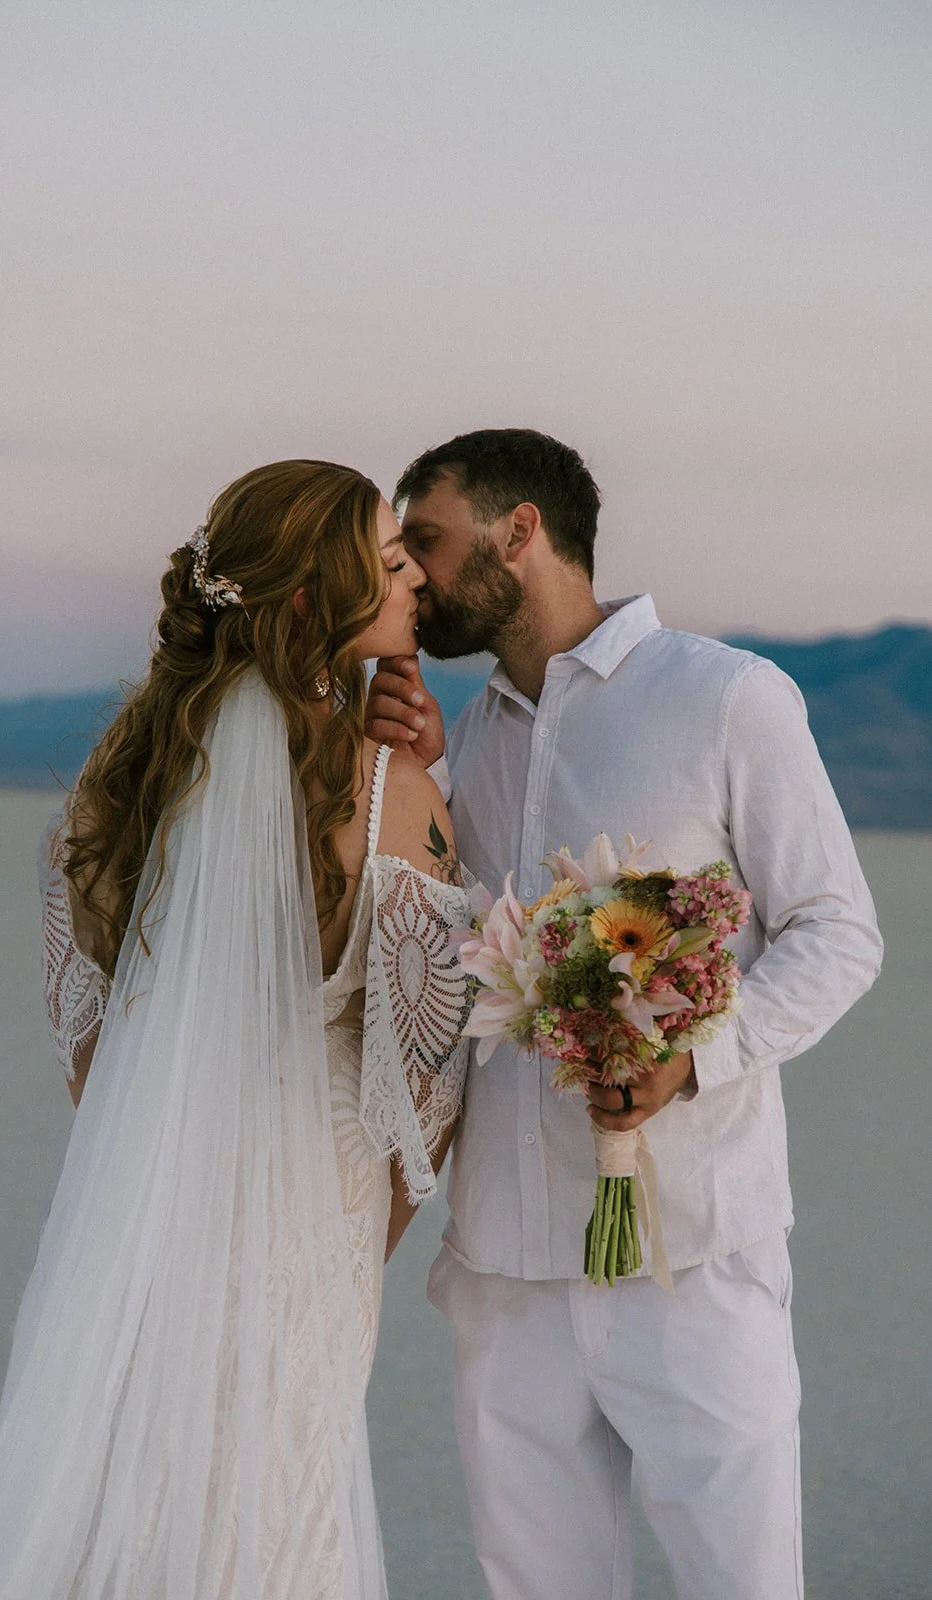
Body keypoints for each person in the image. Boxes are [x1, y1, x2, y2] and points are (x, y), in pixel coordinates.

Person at [0, 459, 473, 1600]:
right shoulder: (391, 796)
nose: (414, 570)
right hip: (314, 1218)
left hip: (148, 1213)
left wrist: (150, 1177)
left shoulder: (117, 782)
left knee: (137, 1484)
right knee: (280, 1499)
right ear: (315, 605)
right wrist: (345, 1250)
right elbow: (424, 1091)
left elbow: (96, 1053)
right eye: (385, 563)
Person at [366, 427, 883, 1600]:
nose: (412, 573)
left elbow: (838, 931)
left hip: (691, 1251)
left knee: (738, 1582)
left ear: (521, 531)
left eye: (428, 541)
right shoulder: (478, 735)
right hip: (504, 1256)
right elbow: (455, 950)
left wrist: (689, 1060)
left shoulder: (725, 697)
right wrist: (425, 793)